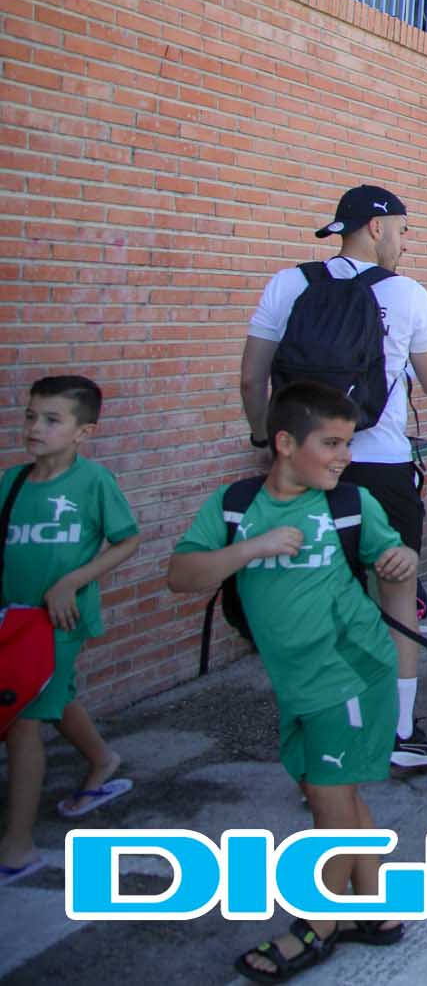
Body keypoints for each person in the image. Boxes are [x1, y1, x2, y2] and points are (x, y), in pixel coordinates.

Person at [169, 382, 422, 974]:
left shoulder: (351, 504)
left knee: (329, 803)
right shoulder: (235, 506)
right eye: (331, 443)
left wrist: (404, 559)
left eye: (348, 443)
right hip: (297, 681)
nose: (344, 457)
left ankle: (316, 924)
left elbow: (396, 560)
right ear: (284, 443)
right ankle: (376, 911)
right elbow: (182, 574)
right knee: (333, 794)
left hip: (351, 674)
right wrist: (249, 549)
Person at [241, 185, 427, 769]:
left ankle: (323, 724)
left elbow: (251, 379)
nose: (404, 244)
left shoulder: (289, 283)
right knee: (396, 591)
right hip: (381, 466)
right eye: (402, 231)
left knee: (315, 596)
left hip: (303, 468)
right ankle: (399, 730)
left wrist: (269, 445)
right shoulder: (406, 293)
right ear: (377, 228)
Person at [1, 376, 141, 884]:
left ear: (84, 431)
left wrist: (70, 583)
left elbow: (127, 540)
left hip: (59, 622)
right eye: (30, 416)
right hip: (14, 622)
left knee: (22, 722)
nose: (35, 427)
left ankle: (17, 847)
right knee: (53, 697)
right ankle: (103, 759)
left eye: (51, 419)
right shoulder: (11, 482)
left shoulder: (93, 482)